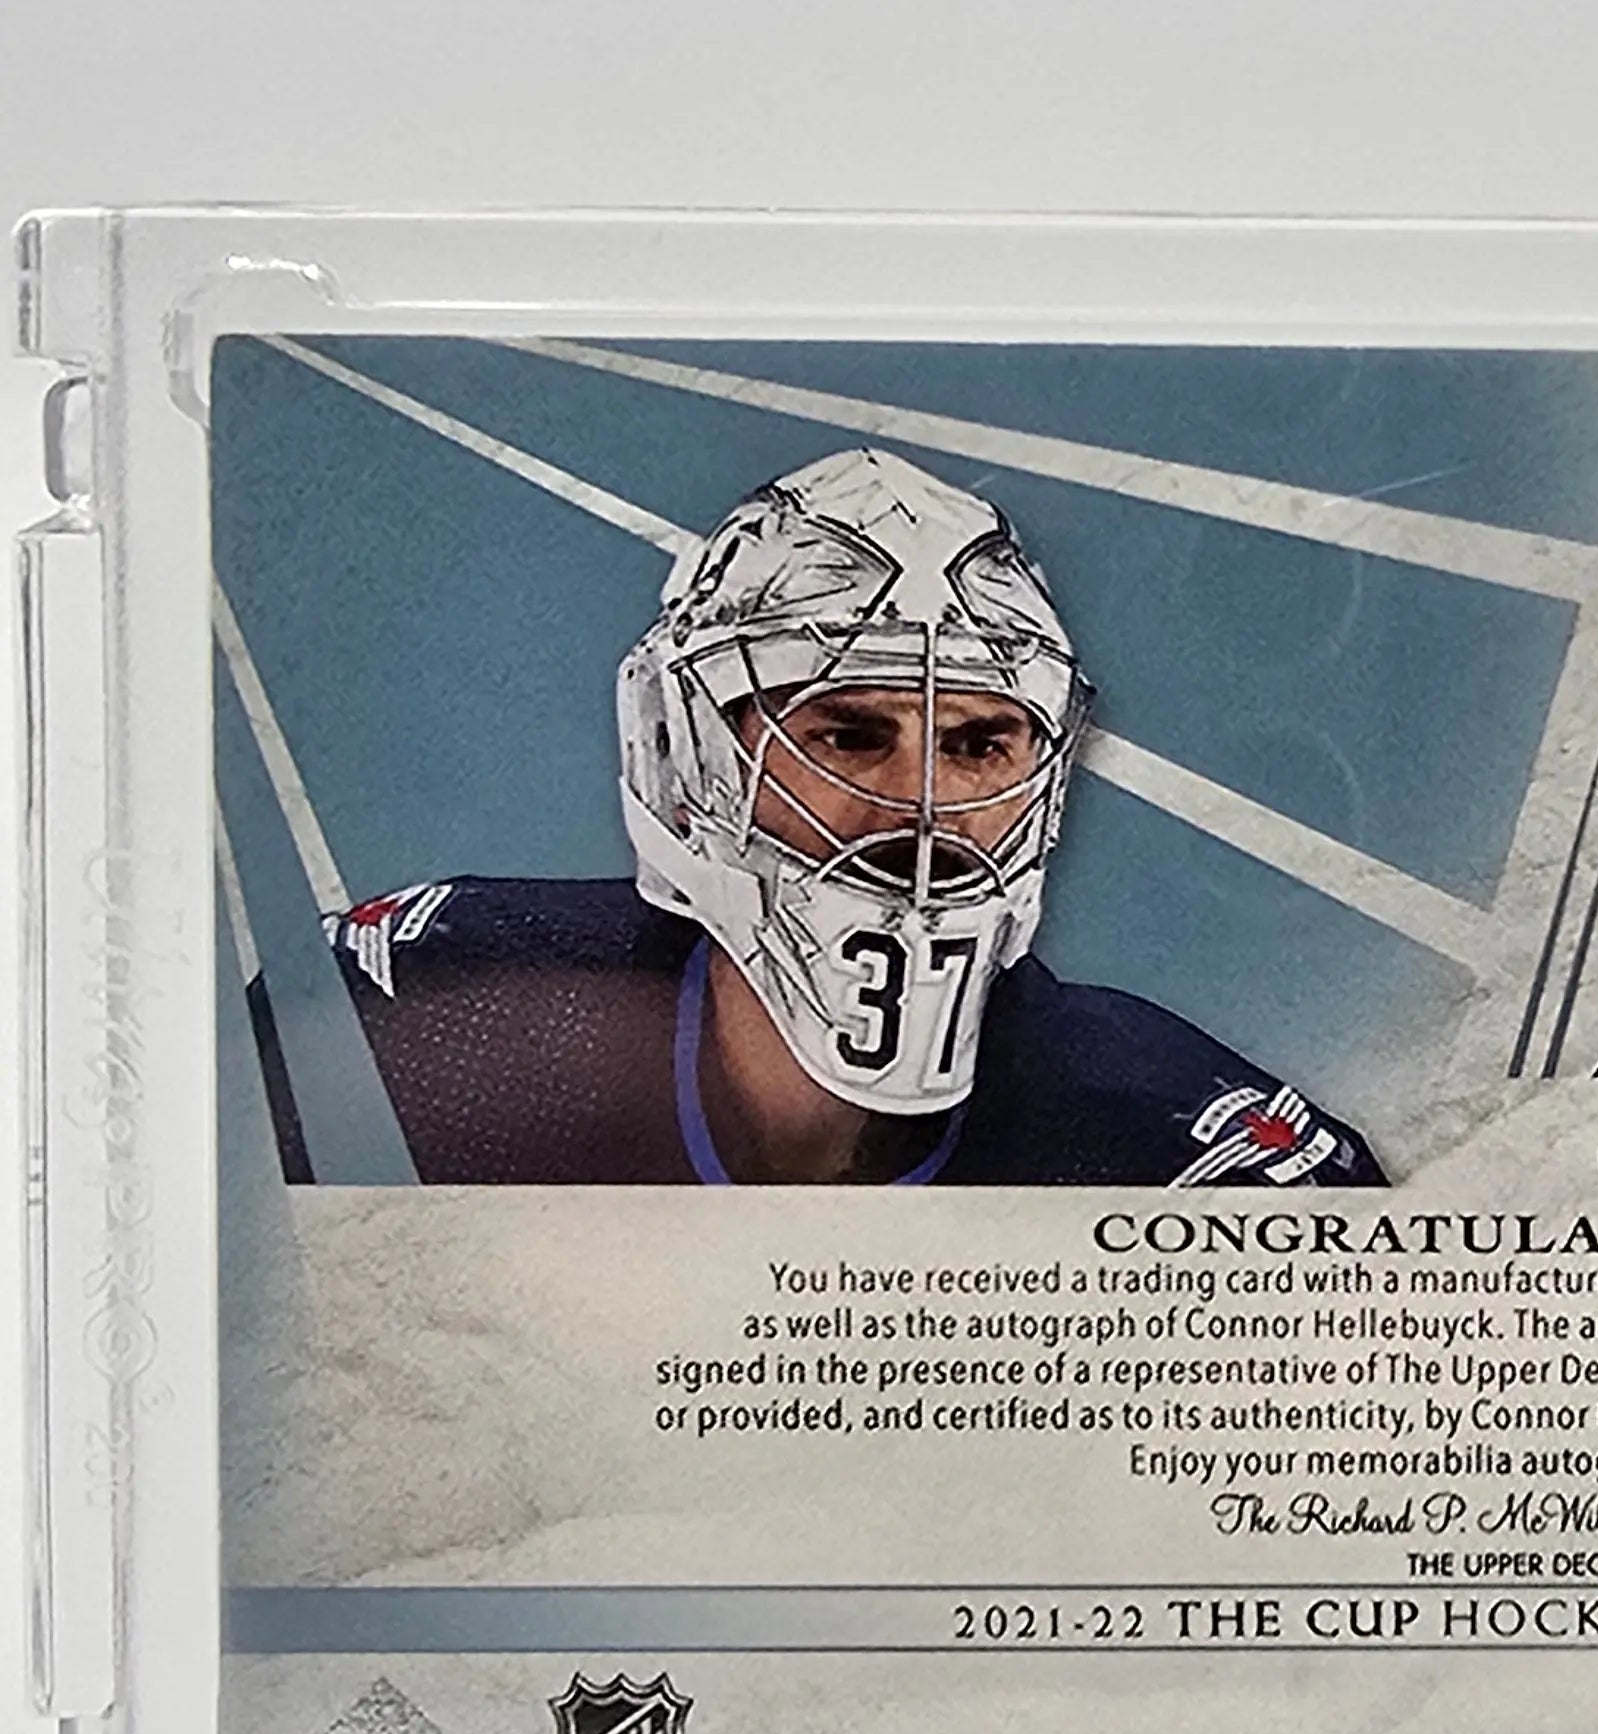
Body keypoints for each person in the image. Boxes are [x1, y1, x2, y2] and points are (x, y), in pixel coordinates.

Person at [261, 447, 1384, 1188]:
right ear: (687, 754)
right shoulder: (419, 1019)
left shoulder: (1192, 1161)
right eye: (849, 734)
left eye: (980, 744)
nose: (925, 803)